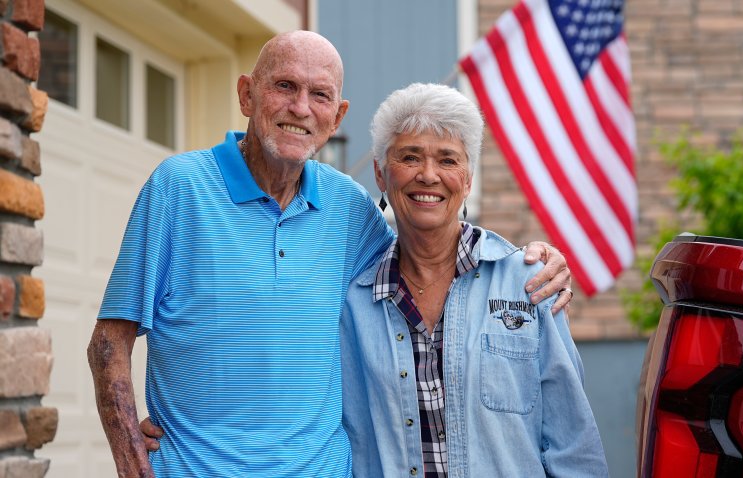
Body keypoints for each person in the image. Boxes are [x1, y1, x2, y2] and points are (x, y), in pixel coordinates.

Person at [88, 31, 572, 478]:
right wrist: (131, 455)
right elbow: (107, 344)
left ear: (336, 116)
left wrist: (525, 259)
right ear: (246, 95)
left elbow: (429, 254)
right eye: (284, 86)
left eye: (319, 95)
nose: (300, 108)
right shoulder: (178, 189)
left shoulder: (348, 209)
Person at [339, 83, 608, 476]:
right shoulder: (353, 303)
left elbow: (573, 445)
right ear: (381, 174)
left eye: (447, 160)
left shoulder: (530, 284)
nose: (428, 175)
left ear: (467, 179)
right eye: (409, 157)